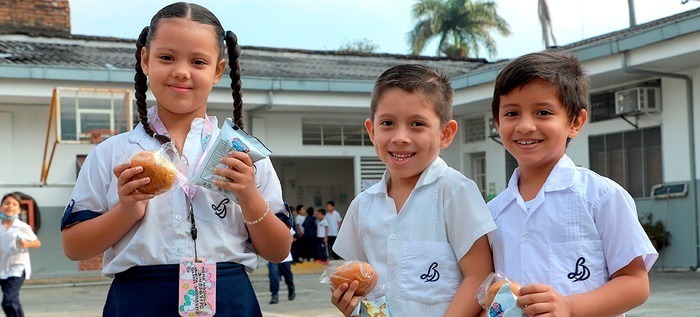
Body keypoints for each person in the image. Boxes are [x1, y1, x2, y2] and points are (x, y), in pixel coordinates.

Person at [59, 3, 291, 316]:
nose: (181, 71)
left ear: (218, 70)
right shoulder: (111, 154)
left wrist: (248, 196)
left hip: (229, 300)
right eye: (167, 57)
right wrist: (128, 210)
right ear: (145, 60)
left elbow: (279, 251)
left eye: (198, 61)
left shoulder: (244, 157)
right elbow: (74, 248)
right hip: (138, 301)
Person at [487, 51, 658, 316]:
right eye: (512, 113)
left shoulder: (601, 197)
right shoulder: (492, 213)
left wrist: (569, 307)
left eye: (543, 112)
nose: (525, 126)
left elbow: (635, 283)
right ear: (498, 122)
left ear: (575, 122)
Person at [331, 64, 496, 316]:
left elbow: (479, 276)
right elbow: (359, 281)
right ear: (372, 131)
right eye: (387, 123)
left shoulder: (455, 192)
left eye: (417, 124)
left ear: (445, 133)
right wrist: (351, 305)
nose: (400, 137)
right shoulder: (362, 206)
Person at [0, 193, 41, 317]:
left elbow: (37, 243)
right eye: (7, 203)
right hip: (2, 268)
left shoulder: (22, 227)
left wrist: (25, 243)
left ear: (18, 209)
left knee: (8, 300)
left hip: (17, 268)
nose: (10, 206)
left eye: (14, 204)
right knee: (12, 301)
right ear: (1, 207)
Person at [268, 212, 296, 304]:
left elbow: (291, 238)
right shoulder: (269, 228)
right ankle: (274, 295)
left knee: (287, 275)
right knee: (274, 276)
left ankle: (291, 289)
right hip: (272, 257)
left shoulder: (287, 226)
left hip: (285, 257)